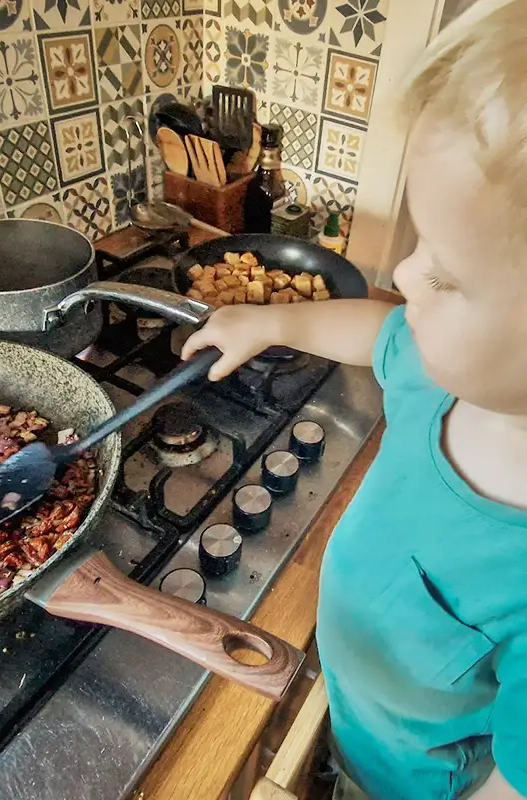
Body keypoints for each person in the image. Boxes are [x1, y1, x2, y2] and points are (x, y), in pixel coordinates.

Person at [181, 1, 527, 798]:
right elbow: (376, 331)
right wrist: (272, 320)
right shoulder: (445, 378)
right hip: (353, 714)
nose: (402, 274)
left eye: (444, 273)